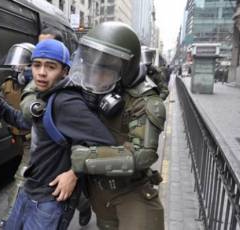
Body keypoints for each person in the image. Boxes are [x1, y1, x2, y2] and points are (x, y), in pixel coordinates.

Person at [0, 39, 116, 230]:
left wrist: (75, 173)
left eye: (50, 67)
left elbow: (107, 146)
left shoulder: (67, 102)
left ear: (65, 71)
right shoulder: (45, 95)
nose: (42, 72)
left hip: (50, 201)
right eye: (37, 65)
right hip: (29, 189)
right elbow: (25, 121)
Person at [51, 21, 166, 230]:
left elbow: (142, 155)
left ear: (125, 70)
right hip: (99, 197)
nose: (93, 76)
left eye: (104, 70)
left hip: (131, 194)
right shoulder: (86, 90)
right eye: (89, 67)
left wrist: (83, 159)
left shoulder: (145, 101)